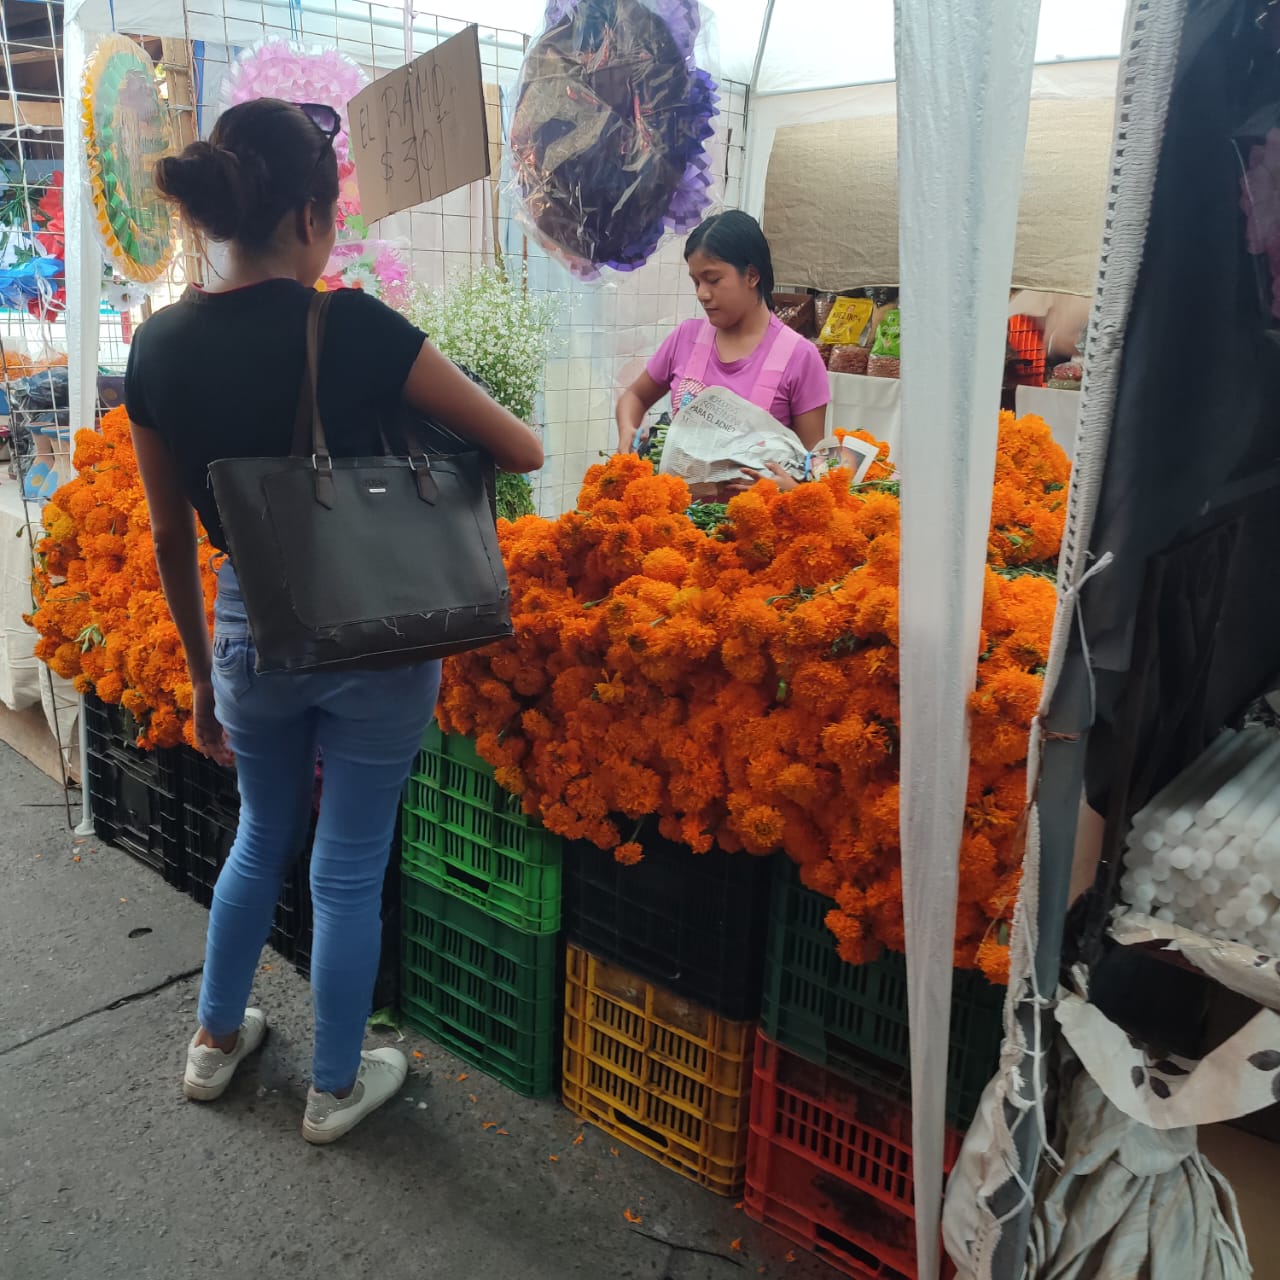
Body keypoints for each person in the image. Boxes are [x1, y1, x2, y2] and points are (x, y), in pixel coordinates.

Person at [125, 99, 542, 1143]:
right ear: (312, 213)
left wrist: (196, 676)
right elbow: (521, 447)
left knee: (260, 832)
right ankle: (335, 1085)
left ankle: (214, 1044)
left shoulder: (158, 346)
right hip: (376, 635)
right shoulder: (351, 325)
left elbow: (173, 540)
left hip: (246, 631)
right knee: (350, 861)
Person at [616, 211, 830, 497]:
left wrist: (789, 490)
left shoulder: (800, 357)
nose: (702, 294)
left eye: (713, 279)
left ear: (752, 275)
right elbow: (635, 396)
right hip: (674, 523)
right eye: (696, 282)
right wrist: (627, 429)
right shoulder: (686, 337)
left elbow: (812, 466)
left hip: (754, 529)